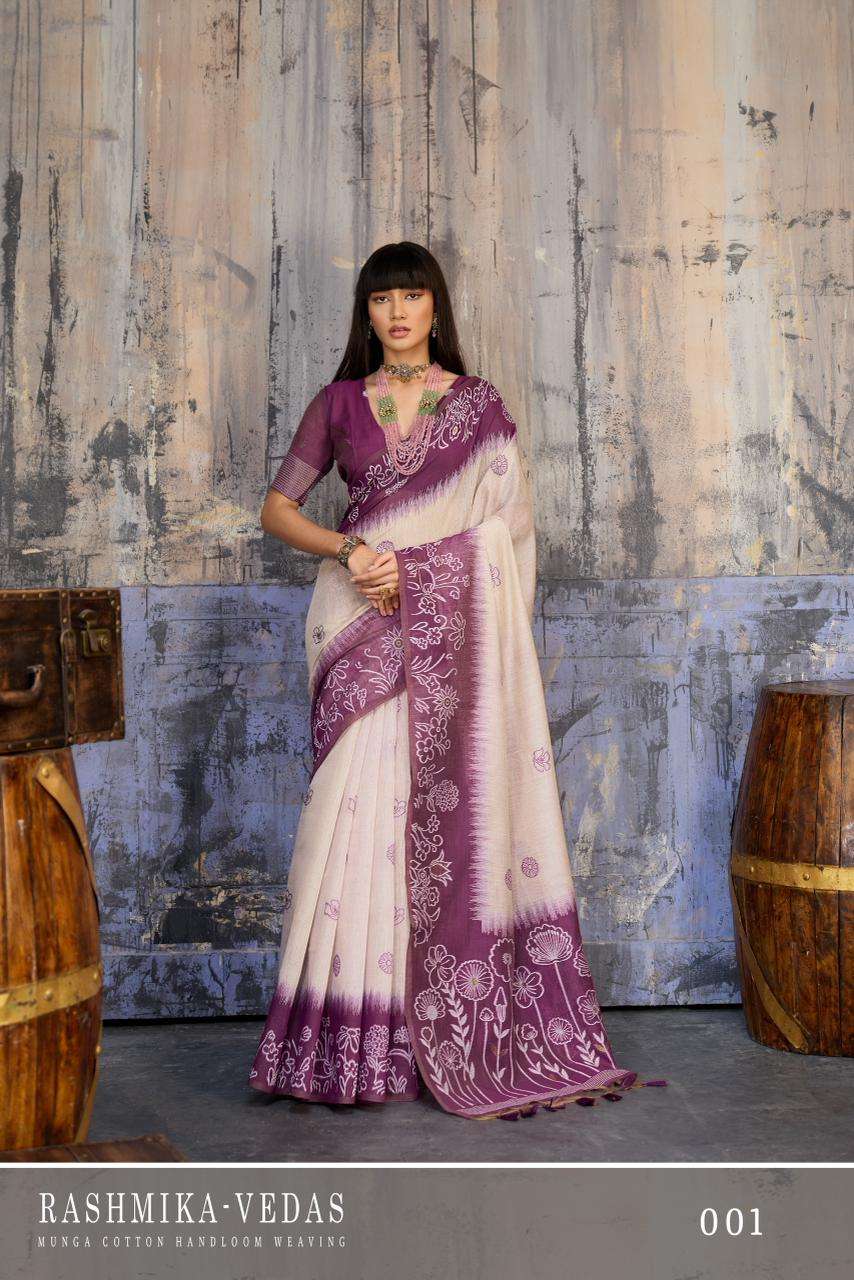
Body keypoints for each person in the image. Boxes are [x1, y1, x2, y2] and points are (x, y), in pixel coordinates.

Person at [248, 240, 650, 1120]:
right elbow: (278, 508)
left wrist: (421, 570)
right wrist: (351, 550)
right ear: (366, 313)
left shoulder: (478, 407)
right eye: (381, 299)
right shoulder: (339, 403)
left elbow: (508, 530)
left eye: (412, 296)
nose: (397, 312)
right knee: (352, 823)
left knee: (440, 823)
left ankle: (443, 1026)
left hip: (447, 631)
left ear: (436, 307)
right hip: (358, 627)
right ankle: (352, 1034)